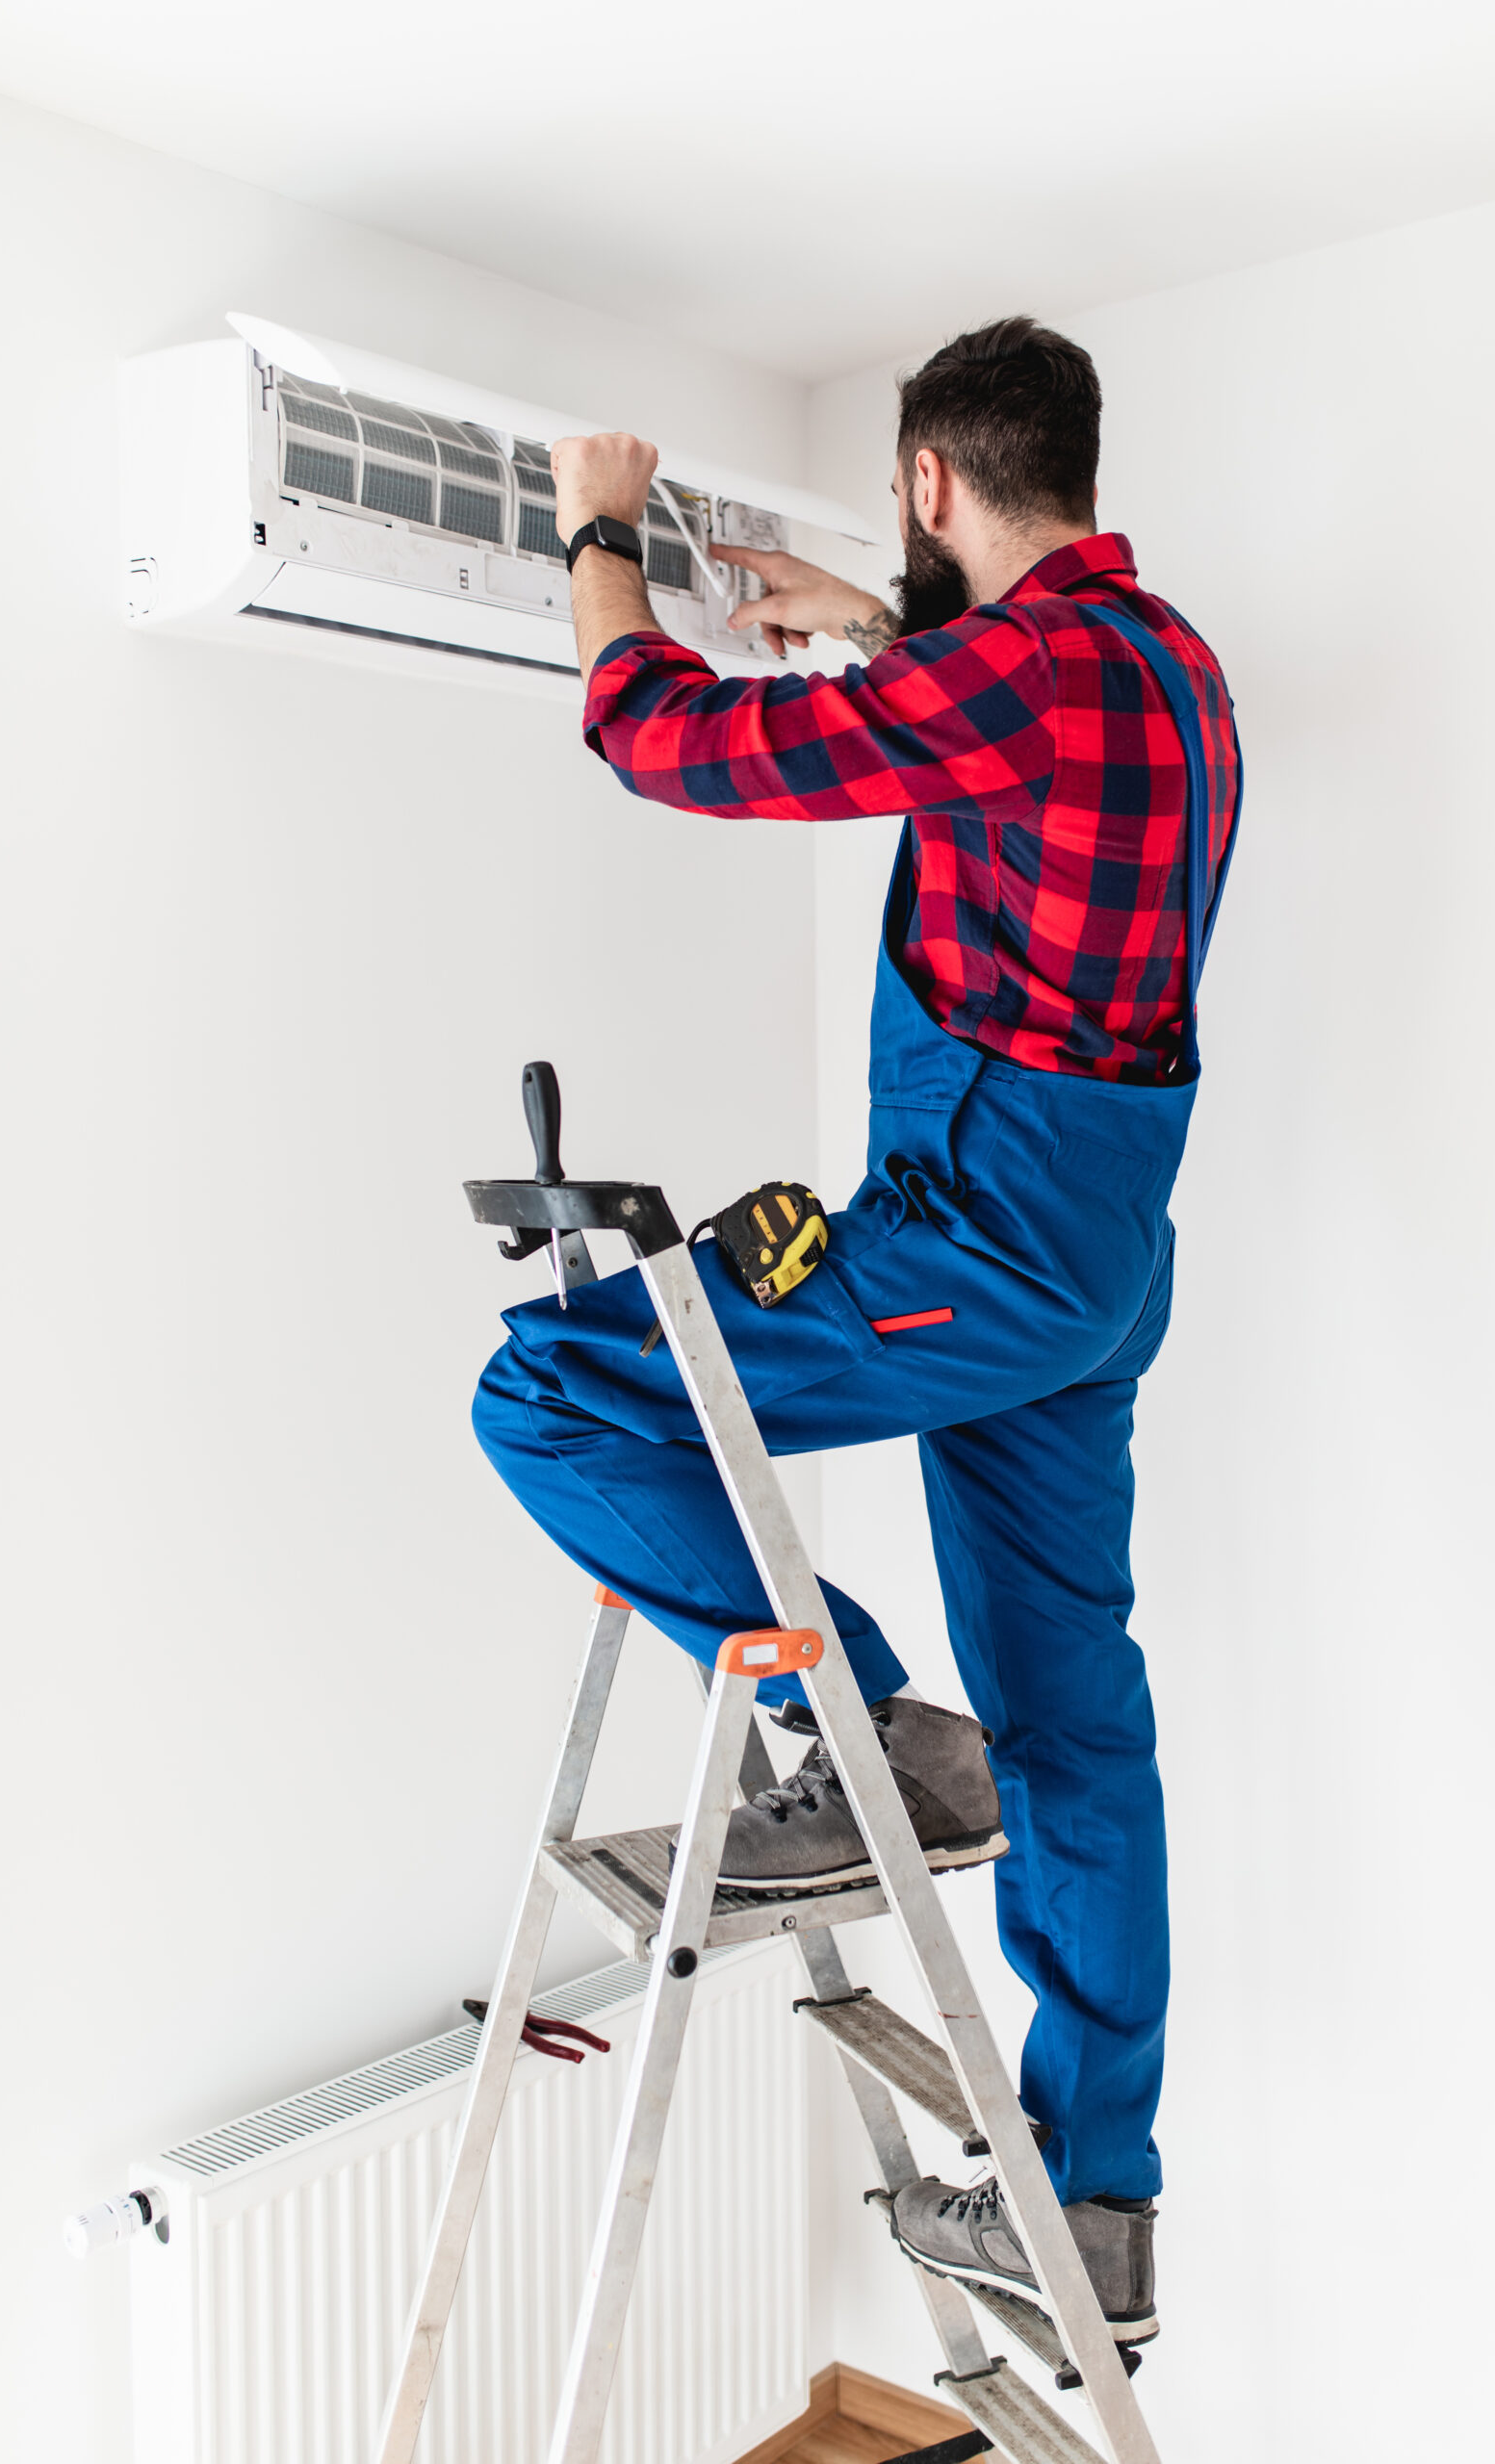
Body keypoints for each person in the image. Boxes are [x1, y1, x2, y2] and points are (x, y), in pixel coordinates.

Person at [472, 318, 1241, 2348]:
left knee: (546, 1383)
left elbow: (657, 738)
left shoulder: (1007, 677)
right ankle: (1096, 2201)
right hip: (1090, 1262)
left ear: (925, 480)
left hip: (967, 1242)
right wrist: (857, 632)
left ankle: (868, 1727)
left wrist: (601, 536)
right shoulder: (1163, 660)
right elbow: (972, 720)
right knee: (1079, 1724)